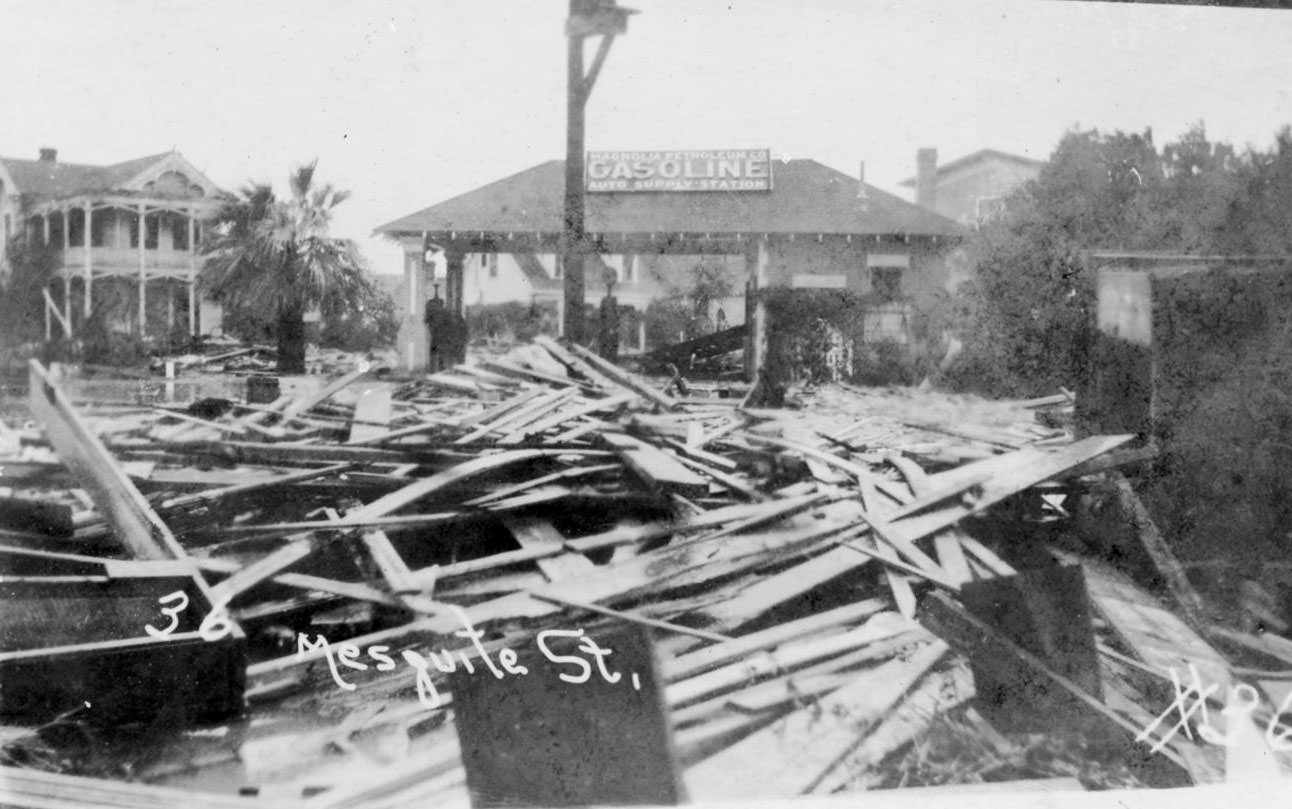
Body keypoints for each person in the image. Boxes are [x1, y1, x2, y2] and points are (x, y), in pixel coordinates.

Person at [423, 291, 449, 372]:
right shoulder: (443, 311)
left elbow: (425, 321)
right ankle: (439, 367)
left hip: (436, 334)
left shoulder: (432, 311)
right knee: (438, 351)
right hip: (438, 334)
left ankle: (434, 368)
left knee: (435, 351)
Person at [598, 276, 620, 362]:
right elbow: (601, 316)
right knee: (604, 349)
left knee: (611, 350)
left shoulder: (613, 301)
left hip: (610, 332)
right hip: (605, 332)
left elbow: (616, 316)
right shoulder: (604, 301)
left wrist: (613, 328)